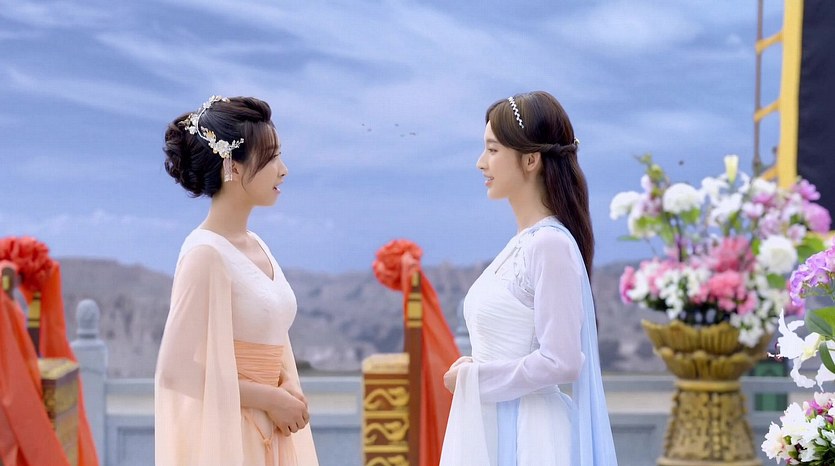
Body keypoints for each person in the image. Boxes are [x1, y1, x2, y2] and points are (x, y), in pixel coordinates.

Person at [439, 91, 617, 466]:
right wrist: (474, 368)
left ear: (531, 159)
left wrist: (474, 380)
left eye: (493, 150)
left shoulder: (549, 244)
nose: (480, 162)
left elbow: (562, 360)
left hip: (532, 436)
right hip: (496, 424)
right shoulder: (523, 243)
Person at [154, 95, 318, 466]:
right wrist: (269, 398)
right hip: (233, 436)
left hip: (273, 430)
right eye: (271, 158)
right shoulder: (205, 254)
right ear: (234, 166)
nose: (283, 170)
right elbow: (174, 371)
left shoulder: (256, 244)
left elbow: (267, 334)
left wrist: (288, 383)